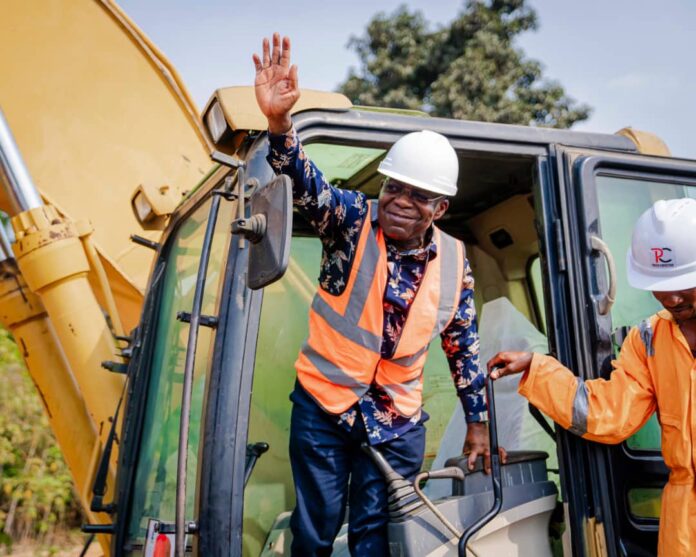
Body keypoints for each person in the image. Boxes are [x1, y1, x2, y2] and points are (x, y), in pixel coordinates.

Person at [253, 33, 500, 556]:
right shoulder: (348, 220)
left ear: (440, 209)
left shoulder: (456, 264)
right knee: (316, 532)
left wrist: (477, 425)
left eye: (418, 195)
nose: (400, 201)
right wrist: (280, 125)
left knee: (374, 540)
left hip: (396, 421)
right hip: (324, 408)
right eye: (394, 187)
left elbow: (464, 350)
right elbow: (305, 181)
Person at [488, 197, 696, 557]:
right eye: (660, 284)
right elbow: (609, 413)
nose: (672, 297)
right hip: (683, 527)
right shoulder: (648, 339)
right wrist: (537, 367)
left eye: (684, 283)